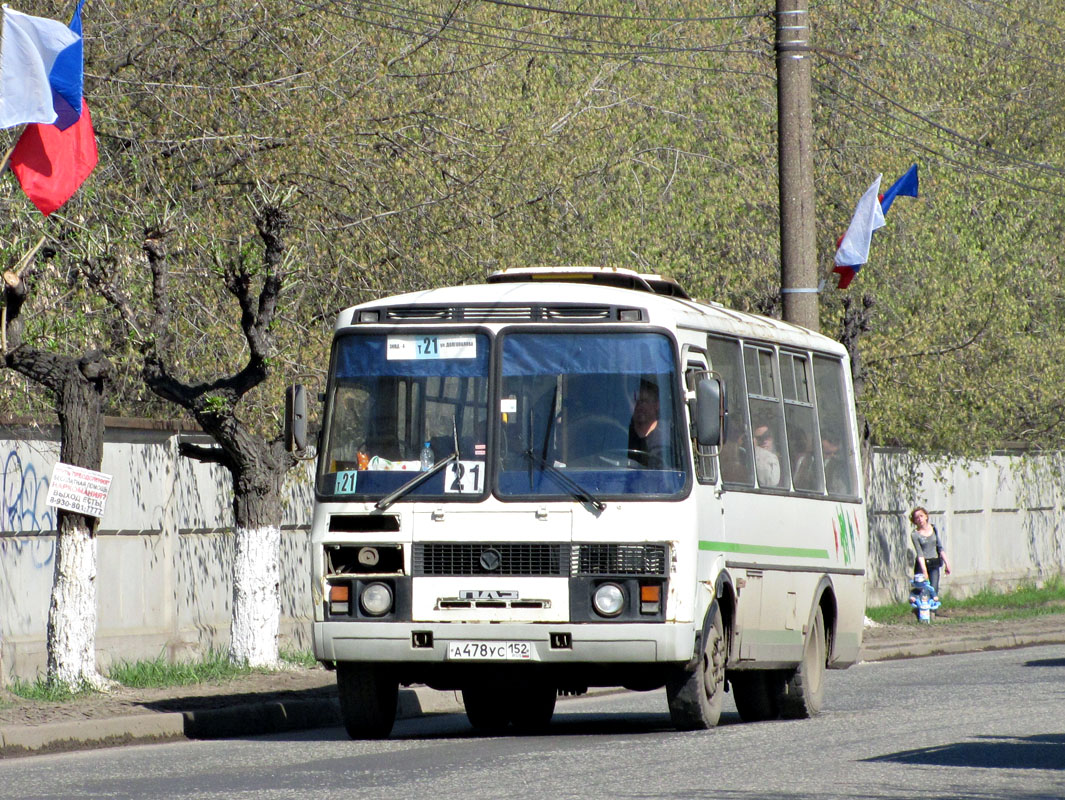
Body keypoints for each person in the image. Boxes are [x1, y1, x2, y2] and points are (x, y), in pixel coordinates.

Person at [909, 506, 951, 596]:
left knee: (933, 589)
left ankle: (933, 610)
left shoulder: (933, 529)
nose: (919, 519)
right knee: (921, 590)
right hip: (922, 564)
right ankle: (919, 609)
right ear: (914, 521)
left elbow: (940, 547)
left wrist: (947, 563)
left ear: (926, 516)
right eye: (917, 518)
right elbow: (920, 553)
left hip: (934, 563)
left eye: (921, 516)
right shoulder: (915, 534)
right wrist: (924, 571)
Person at [628, 379, 666, 468]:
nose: (638, 406)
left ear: (657, 405)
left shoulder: (669, 440)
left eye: (643, 401)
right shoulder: (622, 436)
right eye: (634, 401)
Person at [752, 419, 781, 487]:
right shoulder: (749, 461)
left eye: (767, 436)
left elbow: (772, 483)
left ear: (773, 438)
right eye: (760, 438)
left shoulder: (784, 462)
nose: (764, 441)